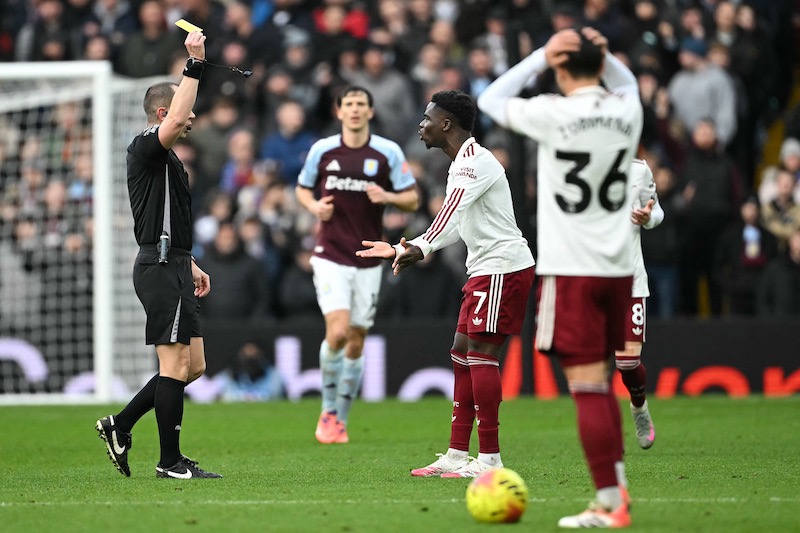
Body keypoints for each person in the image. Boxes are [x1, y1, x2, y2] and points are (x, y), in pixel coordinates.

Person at [477, 27, 643, 528]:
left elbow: (490, 98)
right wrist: (604, 53)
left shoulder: (552, 112)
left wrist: (538, 56)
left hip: (570, 269)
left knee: (588, 387)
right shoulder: (627, 111)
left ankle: (609, 503)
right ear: (602, 65)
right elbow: (629, 85)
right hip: (619, 269)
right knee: (604, 384)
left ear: (560, 68)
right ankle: (616, 493)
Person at [357, 89, 535, 478]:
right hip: (485, 267)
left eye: (427, 118)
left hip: (503, 267)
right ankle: (457, 453)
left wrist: (416, 248)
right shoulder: (461, 163)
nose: (421, 125)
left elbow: (448, 213)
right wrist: (409, 246)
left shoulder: (474, 162)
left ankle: (489, 461)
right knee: (461, 350)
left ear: (447, 124)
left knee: (480, 353)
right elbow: (455, 224)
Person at [95, 30, 221, 479]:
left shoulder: (170, 160)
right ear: (165, 114)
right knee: (173, 365)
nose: (192, 122)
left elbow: (170, 221)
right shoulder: (145, 146)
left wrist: (191, 261)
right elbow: (176, 117)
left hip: (176, 262)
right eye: (185, 115)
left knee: (194, 367)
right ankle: (169, 462)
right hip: (158, 266)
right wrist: (195, 64)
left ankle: (120, 424)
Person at [296, 85, 419, 445]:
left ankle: (340, 419)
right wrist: (315, 208)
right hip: (330, 253)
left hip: (369, 257)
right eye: (348, 104)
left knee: (356, 338)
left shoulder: (387, 152)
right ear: (339, 112)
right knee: (336, 331)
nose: (354, 109)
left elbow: (412, 199)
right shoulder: (323, 150)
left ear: (369, 111)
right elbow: (303, 189)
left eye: (360, 104)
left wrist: (389, 197)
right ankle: (327, 410)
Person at [616, 159, 664, 450]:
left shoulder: (638, 170)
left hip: (630, 279)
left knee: (628, 362)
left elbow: (656, 208)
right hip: (591, 278)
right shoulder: (579, 164)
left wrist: (649, 218)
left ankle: (639, 406)